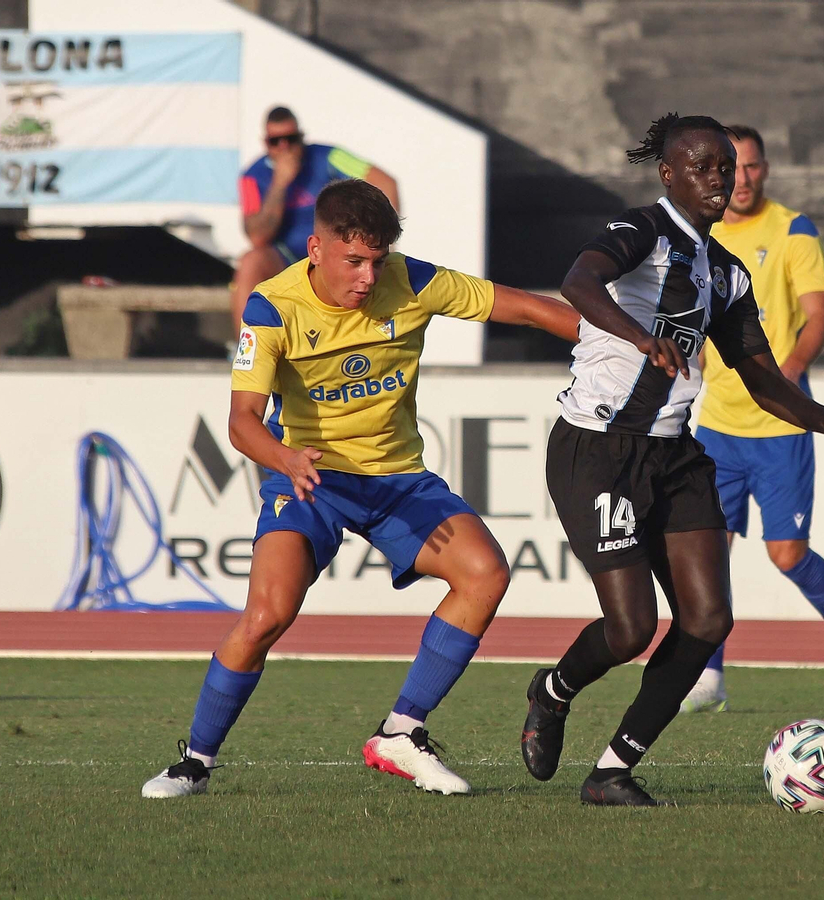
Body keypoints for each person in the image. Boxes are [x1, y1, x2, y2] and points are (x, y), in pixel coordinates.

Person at [142, 179, 580, 799]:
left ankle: (401, 732)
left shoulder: (414, 280)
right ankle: (195, 760)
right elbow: (242, 422)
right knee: (267, 615)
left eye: (377, 261)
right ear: (315, 249)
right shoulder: (272, 306)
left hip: (396, 478)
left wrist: (622, 341)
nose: (369, 277)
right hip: (309, 476)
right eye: (354, 261)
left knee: (484, 574)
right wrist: (286, 458)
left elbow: (531, 308)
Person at [519, 114, 824, 807]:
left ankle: (611, 772)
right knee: (629, 629)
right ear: (668, 174)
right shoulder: (640, 231)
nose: (718, 178)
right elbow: (579, 281)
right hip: (597, 451)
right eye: (702, 166)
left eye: (725, 166)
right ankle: (553, 689)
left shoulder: (724, 273)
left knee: (706, 621)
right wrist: (640, 337)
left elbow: (764, 381)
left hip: (674, 457)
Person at [679, 124, 824, 714]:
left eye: (753, 168)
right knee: (709, 552)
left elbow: (820, 314)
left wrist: (786, 375)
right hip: (717, 425)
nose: (741, 180)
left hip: (780, 427)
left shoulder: (793, 230)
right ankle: (709, 675)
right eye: (731, 168)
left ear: (766, 170)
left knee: (786, 554)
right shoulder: (697, 235)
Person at [230, 106, 399, 328]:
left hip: (335, 253)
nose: (285, 147)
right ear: (266, 143)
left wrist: (381, 239)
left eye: (291, 139)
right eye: (276, 141)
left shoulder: (329, 156)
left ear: (301, 137)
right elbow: (257, 237)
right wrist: (280, 183)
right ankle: (247, 344)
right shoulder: (252, 177)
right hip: (286, 258)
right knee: (250, 261)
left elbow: (385, 183)